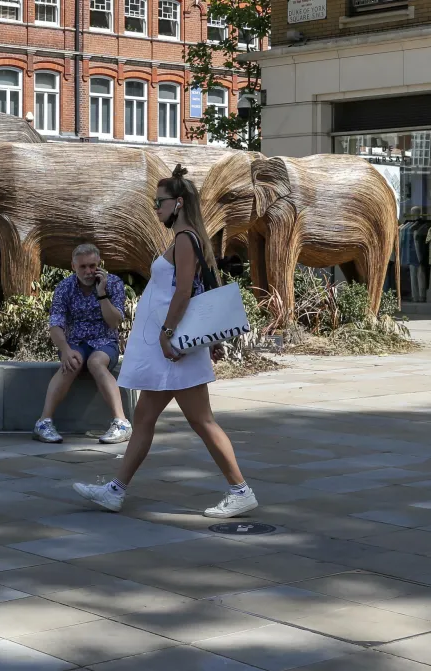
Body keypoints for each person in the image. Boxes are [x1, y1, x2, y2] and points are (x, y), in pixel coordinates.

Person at [72, 164, 257, 519]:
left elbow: (185, 291)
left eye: (160, 202)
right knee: (144, 418)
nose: (155, 208)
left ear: (179, 203)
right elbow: (196, 288)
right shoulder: (186, 238)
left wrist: (167, 332)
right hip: (172, 350)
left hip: (173, 349)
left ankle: (241, 490)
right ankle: (115, 491)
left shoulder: (186, 239)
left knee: (201, 421)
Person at [33, 243, 133, 445]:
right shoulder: (65, 287)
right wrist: (65, 350)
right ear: (74, 266)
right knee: (72, 363)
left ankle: (121, 423)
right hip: (75, 342)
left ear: (99, 264)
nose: (88, 271)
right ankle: (44, 422)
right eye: (83, 267)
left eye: (92, 266)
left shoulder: (113, 283)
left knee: (96, 363)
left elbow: (114, 322)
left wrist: (102, 293)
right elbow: (56, 324)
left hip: (105, 341)